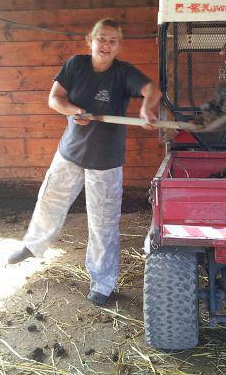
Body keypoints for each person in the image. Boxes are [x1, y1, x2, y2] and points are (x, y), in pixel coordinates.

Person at [8, 18, 162, 307]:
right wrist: (73, 110)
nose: (106, 45)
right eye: (101, 38)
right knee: (49, 200)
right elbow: (55, 99)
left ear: (118, 47)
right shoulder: (75, 65)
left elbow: (152, 89)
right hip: (71, 152)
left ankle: (103, 283)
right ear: (90, 40)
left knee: (103, 223)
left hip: (105, 160)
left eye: (112, 41)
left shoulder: (123, 73)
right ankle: (33, 245)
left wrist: (146, 107)